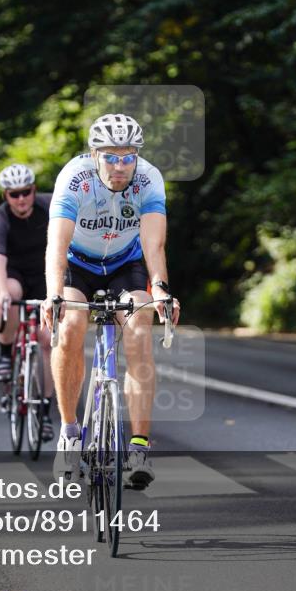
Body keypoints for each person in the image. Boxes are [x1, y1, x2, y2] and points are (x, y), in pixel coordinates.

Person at [41, 114, 180, 490]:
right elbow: (57, 243)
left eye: (128, 156)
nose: (120, 166)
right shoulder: (74, 178)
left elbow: (153, 243)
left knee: (138, 327)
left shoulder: (149, 178)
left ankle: (138, 446)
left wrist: (161, 289)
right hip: (78, 265)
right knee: (69, 325)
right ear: (94, 154)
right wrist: (55, 293)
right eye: (111, 157)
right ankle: (70, 434)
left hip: (125, 264)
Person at [0, 164, 55, 441]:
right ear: (6, 196)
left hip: (45, 274)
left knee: (48, 341)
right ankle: (5, 354)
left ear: (34, 190)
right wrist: (1, 292)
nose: (21, 199)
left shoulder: (50, 206)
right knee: (9, 295)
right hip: (15, 273)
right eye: (14, 195)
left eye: (26, 192)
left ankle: (46, 413)